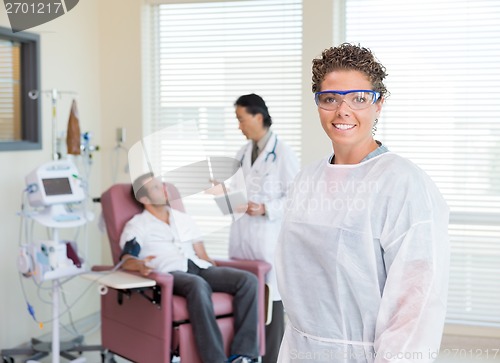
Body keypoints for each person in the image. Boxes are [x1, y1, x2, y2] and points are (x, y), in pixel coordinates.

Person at [275, 43, 450, 362]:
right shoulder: (306, 181)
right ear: (318, 104)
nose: (343, 111)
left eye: (358, 98)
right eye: (330, 99)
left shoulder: (402, 184)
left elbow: (417, 305)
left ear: (379, 104)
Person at [119, 173, 260, 363]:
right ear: (144, 199)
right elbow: (127, 258)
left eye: (161, 184)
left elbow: (201, 253)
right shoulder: (137, 225)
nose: (163, 188)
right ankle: (215, 360)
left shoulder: (182, 218)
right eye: (155, 187)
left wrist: (216, 268)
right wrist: (141, 265)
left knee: (248, 280)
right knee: (197, 284)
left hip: (198, 267)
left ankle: (243, 354)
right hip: (170, 273)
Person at [229, 93, 300, 363]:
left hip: (267, 240)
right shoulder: (242, 152)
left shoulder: (282, 153)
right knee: (244, 301)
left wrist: (266, 208)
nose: (239, 126)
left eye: (241, 119)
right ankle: (245, 356)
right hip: (242, 239)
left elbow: (296, 197)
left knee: (271, 305)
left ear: (258, 117)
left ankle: (271, 359)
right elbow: (236, 193)